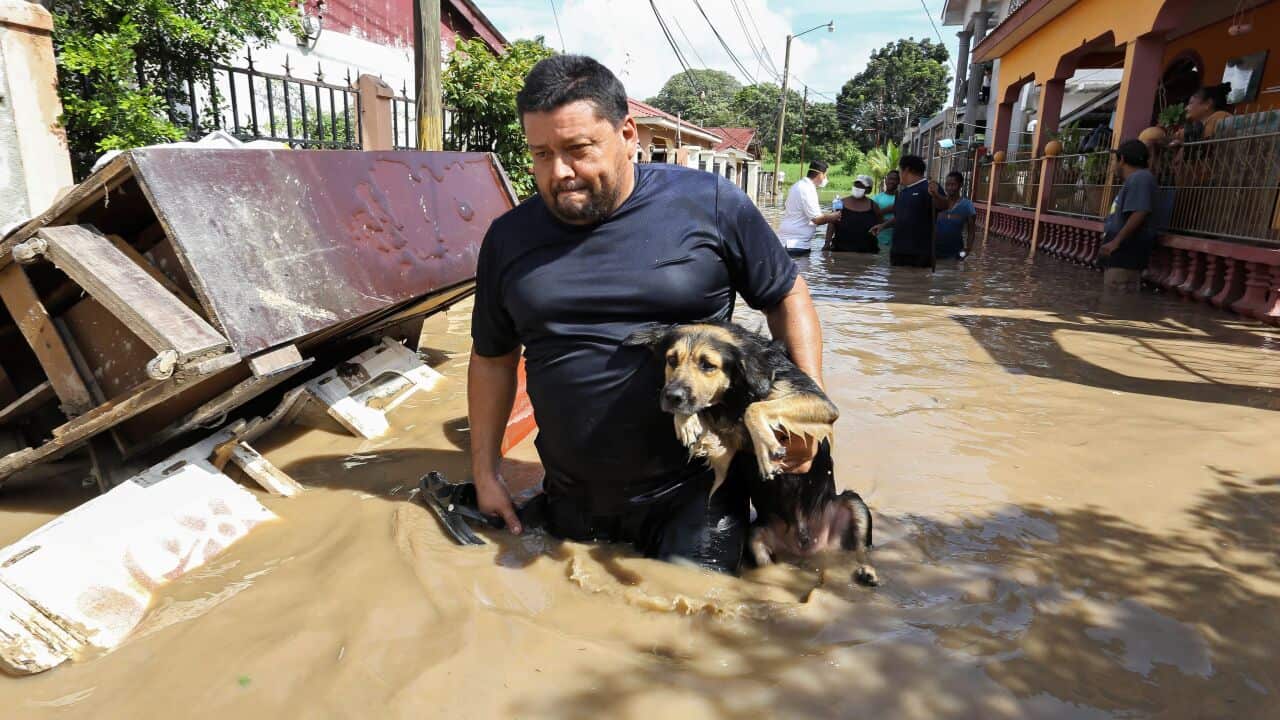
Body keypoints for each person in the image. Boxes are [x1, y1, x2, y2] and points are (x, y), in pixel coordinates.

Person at [467, 55, 825, 574]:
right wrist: (485, 473)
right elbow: (493, 359)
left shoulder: (710, 205)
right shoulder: (509, 238)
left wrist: (806, 409)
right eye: (541, 154)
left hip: (695, 495)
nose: (560, 173)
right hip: (570, 498)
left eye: (578, 149)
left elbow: (787, 296)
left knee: (695, 636)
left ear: (628, 133)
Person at [1098, 139, 1159, 293]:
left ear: (1122, 159)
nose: (1113, 166)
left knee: (1116, 299)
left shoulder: (1140, 178)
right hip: (1122, 254)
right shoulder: (1139, 179)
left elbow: (1140, 211)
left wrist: (1116, 242)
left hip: (1126, 254)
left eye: (1115, 161)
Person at [871, 155, 948, 267]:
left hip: (919, 253)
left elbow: (944, 206)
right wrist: (883, 226)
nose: (899, 174)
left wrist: (936, 195)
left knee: (916, 282)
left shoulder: (929, 187)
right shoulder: (902, 192)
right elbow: (900, 217)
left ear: (906, 170)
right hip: (898, 251)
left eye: (900, 170)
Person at [777, 160, 840, 256]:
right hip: (794, 245)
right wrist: (834, 216)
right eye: (825, 175)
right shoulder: (807, 189)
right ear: (819, 174)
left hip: (791, 242)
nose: (825, 178)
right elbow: (817, 219)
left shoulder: (798, 185)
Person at [825, 175, 883, 253]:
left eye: (862, 186)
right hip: (841, 249)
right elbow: (831, 223)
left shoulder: (873, 206)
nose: (858, 187)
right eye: (856, 185)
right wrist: (827, 243)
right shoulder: (840, 203)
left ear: (868, 190)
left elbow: (880, 223)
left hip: (867, 250)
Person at [934, 171, 977, 260]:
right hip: (935, 251)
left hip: (956, 253)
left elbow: (971, 231)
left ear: (960, 185)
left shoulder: (967, 205)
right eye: (947, 185)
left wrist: (967, 250)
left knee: (954, 272)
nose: (949, 188)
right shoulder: (938, 202)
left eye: (953, 184)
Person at [871, 171, 899, 247]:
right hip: (880, 238)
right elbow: (871, 215)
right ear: (886, 180)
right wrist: (888, 209)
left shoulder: (902, 197)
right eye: (890, 179)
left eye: (895, 179)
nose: (892, 181)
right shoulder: (877, 198)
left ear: (899, 181)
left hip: (898, 240)